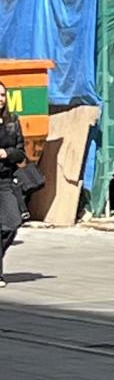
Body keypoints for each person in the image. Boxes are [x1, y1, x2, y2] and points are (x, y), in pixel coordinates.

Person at [0, 82, 27, 288]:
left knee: (12, 224)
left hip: (5, 180)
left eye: (2, 95)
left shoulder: (13, 122)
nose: (0, 99)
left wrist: (6, 153)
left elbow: (21, 153)